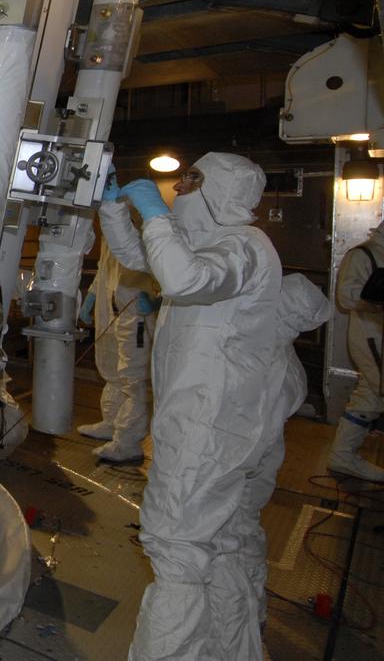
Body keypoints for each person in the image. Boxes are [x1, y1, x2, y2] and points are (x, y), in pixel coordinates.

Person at [99, 153, 288, 660]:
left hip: (206, 429)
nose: (180, 187)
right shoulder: (217, 245)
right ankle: (234, 649)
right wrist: (115, 208)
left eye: (192, 180)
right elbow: (146, 260)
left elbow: (183, 280)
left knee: (176, 547)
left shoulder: (243, 247)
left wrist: (156, 214)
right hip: (212, 423)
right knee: (219, 544)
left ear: (220, 192)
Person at [77, 233, 159, 464]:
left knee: (135, 377)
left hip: (136, 309)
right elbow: (107, 264)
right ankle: (112, 422)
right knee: (112, 366)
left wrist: (157, 300)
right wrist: (93, 293)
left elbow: (164, 265)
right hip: (113, 303)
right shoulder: (114, 221)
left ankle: (128, 442)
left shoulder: (145, 222)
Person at [328, 220, 384, 481]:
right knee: (376, 390)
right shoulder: (364, 255)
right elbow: (346, 297)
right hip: (372, 336)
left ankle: (343, 455)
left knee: (371, 397)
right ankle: (343, 456)